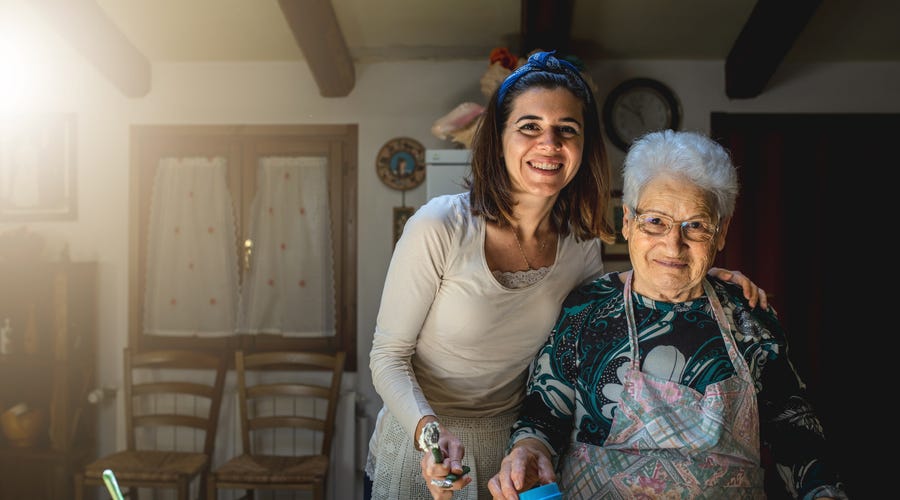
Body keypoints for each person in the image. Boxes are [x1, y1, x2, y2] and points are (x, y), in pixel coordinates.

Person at [366, 51, 768, 500]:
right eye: (529, 127)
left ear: (583, 146)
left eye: (567, 131)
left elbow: (608, 304)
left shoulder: (578, 243)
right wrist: (430, 436)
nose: (549, 144)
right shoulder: (439, 226)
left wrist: (696, 267)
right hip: (425, 441)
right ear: (498, 138)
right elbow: (388, 356)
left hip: (514, 455)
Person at [487, 130, 848, 500]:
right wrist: (528, 451)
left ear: (721, 232)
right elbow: (543, 415)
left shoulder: (748, 316)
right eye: (655, 221)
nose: (673, 245)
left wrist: (821, 490)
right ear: (627, 221)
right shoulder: (586, 308)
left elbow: (793, 426)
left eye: (696, 225)